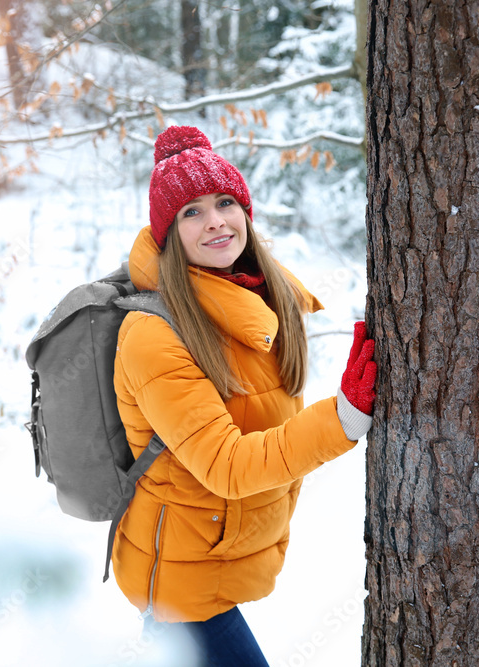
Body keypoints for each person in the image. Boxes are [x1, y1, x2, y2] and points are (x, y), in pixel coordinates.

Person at [111, 125, 377, 666]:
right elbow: (227, 465)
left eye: (225, 202)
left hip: (211, 562)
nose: (214, 221)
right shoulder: (154, 335)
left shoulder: (249, 301)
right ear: (167, 235)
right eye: (190, 212)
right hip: (182, 587)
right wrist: (343, 418)